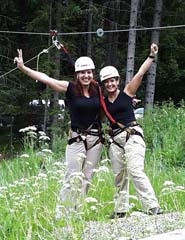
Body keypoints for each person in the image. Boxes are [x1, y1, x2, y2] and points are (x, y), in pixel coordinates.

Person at [14, 50, 104, 216]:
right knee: (72, 177)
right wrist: (23, 68)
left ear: (93, 73)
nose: (86, 75)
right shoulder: (70, 88)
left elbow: (112, 99)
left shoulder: (97, 89)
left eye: (89, 72)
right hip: (77, 139)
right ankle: (62, 214)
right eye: (82, 73)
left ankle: (78, 212)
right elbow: (46, 79)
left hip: (95, 140)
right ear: (77, 75)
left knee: (87, 178)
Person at [99, 43, 162, 218]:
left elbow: (140, 74)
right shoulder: (103, 103)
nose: (110, 84)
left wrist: (151, 56)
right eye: (107, 82)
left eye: (113, 80)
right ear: (104, 84)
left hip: (131, 135)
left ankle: (152, 206)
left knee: (135, 170)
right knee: (119, 176)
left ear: (117, 81)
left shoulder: (127, 93)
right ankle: (120, 210)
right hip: (115, 141)